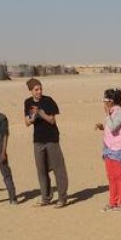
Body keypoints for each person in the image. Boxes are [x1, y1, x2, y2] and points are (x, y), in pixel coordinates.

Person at [24, 78, 69, 207]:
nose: (39, 91)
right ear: (31, 91)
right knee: (41, 170)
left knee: (58, 169)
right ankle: (46, 197)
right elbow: (26, 122)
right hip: (38, 140)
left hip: (51, 138)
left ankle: (62, 198)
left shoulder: (48, 101)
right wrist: (33, 117)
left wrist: (41, 113)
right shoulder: (27, 102)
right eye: (36, 89)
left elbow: (52, 121)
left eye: (40, 89)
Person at [95, 88, 121, 212]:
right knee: (111, 177)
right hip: (108, 148)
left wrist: (107, 114)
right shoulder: (112, 112)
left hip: (118, 149)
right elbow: (109, 128)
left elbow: (113, 128)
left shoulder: (120, 113)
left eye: (105, 99)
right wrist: (102, 126)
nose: (104, 102)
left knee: (119, 177)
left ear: (111, 101)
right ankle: (112, 202)